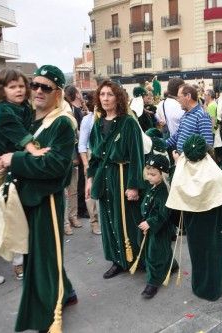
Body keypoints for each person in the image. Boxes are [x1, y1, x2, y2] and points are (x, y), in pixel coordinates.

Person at [0, 65, 79, 332]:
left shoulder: (62, 122)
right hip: (25, 199)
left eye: (46, 87)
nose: (38, 91)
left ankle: (47, 316)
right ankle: (67, 293)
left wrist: (14, 159)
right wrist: (2, 162)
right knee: (41, 256)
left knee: (42, 259)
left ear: (58, 93)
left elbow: (54, 167)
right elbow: (11, 147)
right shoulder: (29, 118)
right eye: (35, 85)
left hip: (48, 201)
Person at [86, 80, 145, 279]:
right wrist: (89, 179)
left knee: (128, 220)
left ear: (118, 97)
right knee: (109, 219)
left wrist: (134, 185)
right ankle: (117, 260)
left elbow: (137, 156)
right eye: (102, 94)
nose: (105, 98)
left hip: (123, 176)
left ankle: (138, 257)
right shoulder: (97, 124)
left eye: (109, 94)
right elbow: (94, 156)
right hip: (105, 177)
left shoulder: (128, 122)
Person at [166, 134, 222, 301]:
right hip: (215, 225)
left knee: (197, 255)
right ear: (207, 154)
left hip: (193, 226)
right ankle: (214, 289)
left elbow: (174, 205)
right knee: (214, 255)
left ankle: (199, 288)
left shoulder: (181, 173)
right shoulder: (216, 174)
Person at [138, 154, 176, 299]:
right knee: (156, 249)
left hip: (160, 228)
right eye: (148, 173)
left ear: (163, 174)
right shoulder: (151, 185)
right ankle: (172, 264)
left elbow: (163, 213)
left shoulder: (164, 191)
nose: (149, 177)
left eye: (153, 174)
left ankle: (153, 282)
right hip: (150, 226)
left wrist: (150, 222)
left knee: (155, 252)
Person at [78, 93, 101, 235]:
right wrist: (86, 165)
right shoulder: (87, 119)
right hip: (91, 155)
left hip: (106, 157)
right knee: (90, 191)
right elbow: (82, 145)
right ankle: (94, 222)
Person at [166, 84, 213, 153]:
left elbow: (207, 145)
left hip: (191, 162)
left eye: (179, 97)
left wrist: (188, 158)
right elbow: (177, 135)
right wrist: (162, 144)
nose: (178, 100)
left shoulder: (202, 116)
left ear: (188, 96)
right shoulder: (185, 114)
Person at [63, 85, 83, 235]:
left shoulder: (74, 111)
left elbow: (77, 135)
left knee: (73, 190)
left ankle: (73, 216)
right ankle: (64, 223)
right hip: (61, 159)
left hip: (73, 156)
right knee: (63, 192)